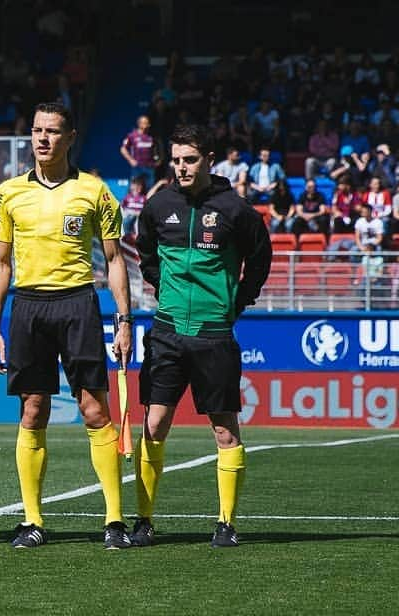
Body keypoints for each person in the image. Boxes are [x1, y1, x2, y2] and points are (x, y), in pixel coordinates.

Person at [0, 102, 134, 551]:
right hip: (28, 306)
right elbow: (1, 264)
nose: (43, 139)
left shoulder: (95, 191)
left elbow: (114, 260)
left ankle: (114, 521)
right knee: (33, 410)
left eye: (52, 131)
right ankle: (33, 521)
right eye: (36, 131)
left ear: (70, 137)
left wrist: (123, 320)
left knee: (94, 410)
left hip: (78, 305)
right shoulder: (8, 193)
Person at [133, 123, 272, 549]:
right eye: (176, 160)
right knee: (154, 424)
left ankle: (226, 523)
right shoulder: (158, 206)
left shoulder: (236, 210)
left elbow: (261, 257)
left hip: (214, 335)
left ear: (209, 160)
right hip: (168, 332)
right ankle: (144, 521)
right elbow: (146, 255)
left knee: (224, 430)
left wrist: (238, 300)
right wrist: (162, 290)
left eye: (190, 160)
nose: (182, 167)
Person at [120, 114, 158, 189]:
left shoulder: (151, 136)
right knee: (134, 188)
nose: (147, 125)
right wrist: (131, 160)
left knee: (150, 188)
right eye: (145, 123)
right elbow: (123, 149)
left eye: (148, 123)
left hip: (150, 167)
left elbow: (157, 148)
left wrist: (158, 160)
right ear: (139, 124)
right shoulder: (132, 136)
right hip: (137, 167)